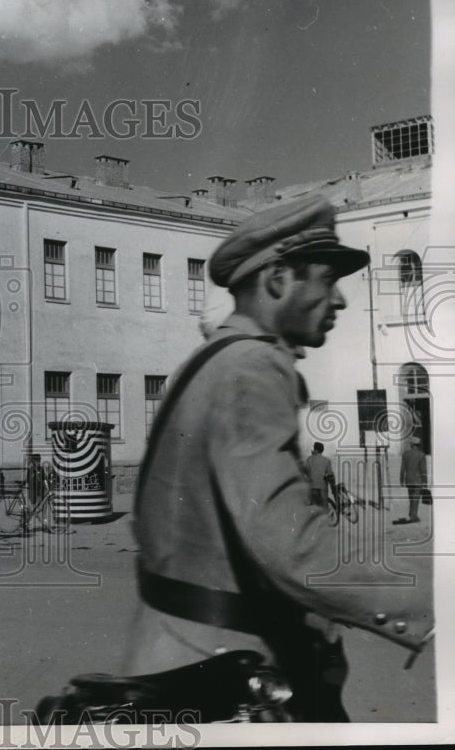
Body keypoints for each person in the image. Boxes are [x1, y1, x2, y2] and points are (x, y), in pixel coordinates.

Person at [122, 196, 433, 722]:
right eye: (326, 279)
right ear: (277, 279)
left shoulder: (210, 360)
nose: (338, 301)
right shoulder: (253, 368)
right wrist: (431, 599)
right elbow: (290, 543)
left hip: (181, 654)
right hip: (228, 677)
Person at [394, 437, 428, 525]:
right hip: (418, 480)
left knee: (411, 498)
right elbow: (423, 470)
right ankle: (414, 517)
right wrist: (425, 482)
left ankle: (411, 513)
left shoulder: (405, 454)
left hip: (408, 480)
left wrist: (401, 480)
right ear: (418, 445)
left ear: (412, 445)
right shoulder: (421, 455)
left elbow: (402, 469)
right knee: (416, 499)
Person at [303, 442, 335, 510]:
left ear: (315, 449)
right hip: (323, 487)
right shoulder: (327, 460)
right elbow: (330, 474)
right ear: (322, 450)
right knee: (324, 507)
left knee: (314, 508)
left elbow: (305, 472)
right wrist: (333, 487)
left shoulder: (309, 459)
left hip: (312, 487)